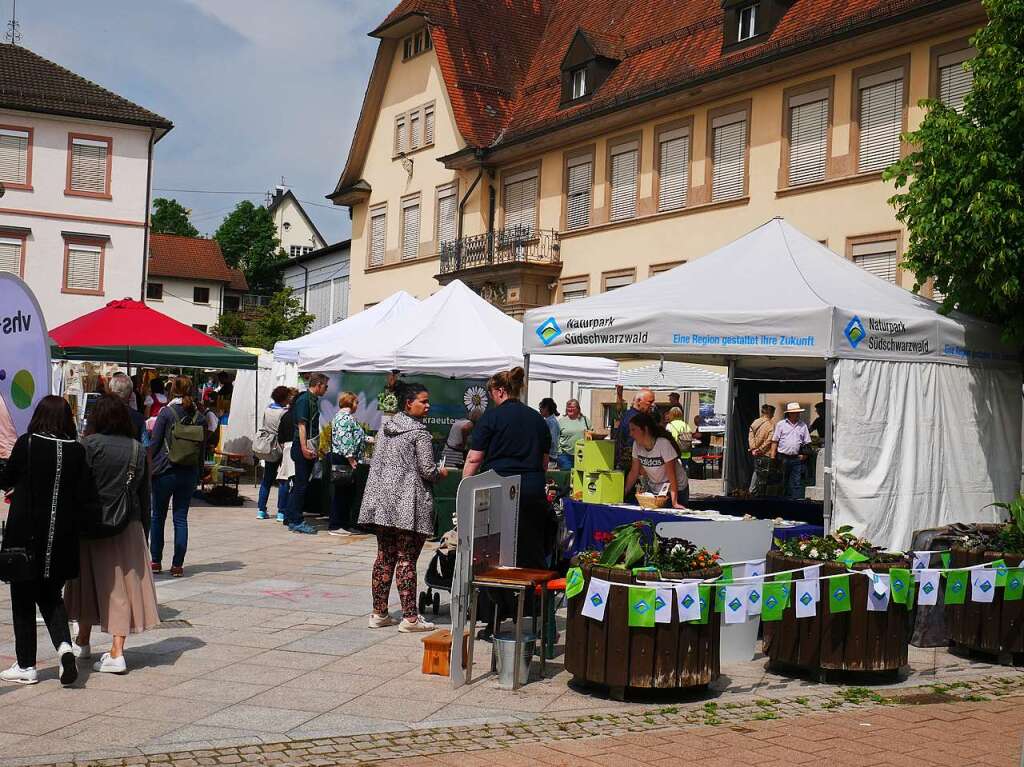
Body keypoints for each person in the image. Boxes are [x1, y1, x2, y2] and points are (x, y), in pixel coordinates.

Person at [0, 396, 96, 686]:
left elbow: (6, 479)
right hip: (61, 540)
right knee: (51, 597)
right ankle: (65, 647)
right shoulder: (77, 452)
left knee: (23, 601)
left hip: (25, 537)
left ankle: (27, 665)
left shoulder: (28, 443)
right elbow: (85, 496)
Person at [66, 396, 160, 674]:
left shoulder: (88, 445)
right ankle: (117, 648)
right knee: (121, 588)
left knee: (84, 583)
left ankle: (83, 641)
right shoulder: (138, 449)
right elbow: (145, 496)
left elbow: (77, 488)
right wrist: (144, 530)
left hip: (90, 525)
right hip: (127, 525)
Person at [464, 367, 552, 637]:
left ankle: (494, 620)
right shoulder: (538, 418)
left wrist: (465, 489)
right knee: (532, 555)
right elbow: (544, 462)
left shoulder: (492, 417)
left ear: (500, 391)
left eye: (491, 394)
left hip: (500, 491)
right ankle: (539, 620)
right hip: (532, 492)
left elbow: (474, 459)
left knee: (493, 558)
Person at [358, 383, 446, 632]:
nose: (427, 405)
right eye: (423, 401)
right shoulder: (420, 433)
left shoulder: (387, 427)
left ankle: (379, 613)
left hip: (383, 501)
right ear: (409, 403)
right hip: (409, 503)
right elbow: (427, 471)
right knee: (407, 559)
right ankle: (410, 618)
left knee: (384, 557)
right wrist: (442, 473)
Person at [150, 375, 207, 577]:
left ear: (172, 389)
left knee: (158, 516)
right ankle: (177, 565)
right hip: (189, 471)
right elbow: (202, 449)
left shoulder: (166, 413)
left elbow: (154, 443)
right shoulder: (200, 416)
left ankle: (155, 561)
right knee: (180, 518)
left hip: (166, 470)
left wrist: (149, 467)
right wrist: (200, 473)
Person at [285, 374, 329, 535]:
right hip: (302, 446)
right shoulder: (305, 400)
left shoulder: (311, 399)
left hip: (307, 446)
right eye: (325, 386)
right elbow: (302, 425)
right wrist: (304, 447)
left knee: (299, 484)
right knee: (301, 485)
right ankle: (296, 520)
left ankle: (290, 516)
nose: (326, 390)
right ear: (318, 384)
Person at [625, 411, 689, 508]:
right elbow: (634, 472)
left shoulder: (663, 444)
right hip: (656, 489)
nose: (631, 434)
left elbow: (672, 475)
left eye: (633, 430)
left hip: (677, 489)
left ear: (645, 429)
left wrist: (674, 502)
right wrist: (623, 493)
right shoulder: (636, 445)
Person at [329, 391, 366, 536]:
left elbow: (356, 435)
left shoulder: (348, 417)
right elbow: (345, 439)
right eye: (356, 402)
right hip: (343, 459)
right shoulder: (344, 417)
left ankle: (344, 524)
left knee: (347, 493)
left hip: (346, 458)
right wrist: (351, 459)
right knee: (341, 493)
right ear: (350, 403)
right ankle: (336, 525)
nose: (358, 405)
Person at [257, 386, 292, 521]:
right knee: (283, 479)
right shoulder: (284, 412)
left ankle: (261, 509)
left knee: (267, 479)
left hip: (268, 445)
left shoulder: (268, 409)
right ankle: (281, 512)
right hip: (280, 446)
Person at [770, 402, 812, 500]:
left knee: (796, 483)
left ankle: (795, 502)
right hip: (783, 457)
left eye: (798, 412)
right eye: (795, 412)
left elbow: (807, 442)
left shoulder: (803, 425)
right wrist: (773, 458)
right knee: (782, 481)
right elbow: (775, 441)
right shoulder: (781, 424)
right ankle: (782, 502)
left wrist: (804, 455)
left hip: (796, 458)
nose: (797, 414)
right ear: (789, 413)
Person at [615, 388, 656, 470]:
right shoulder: (636, 419)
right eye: (650, 402)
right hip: (633, 465)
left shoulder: (628, 414)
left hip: (626, 463)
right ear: (639, 401)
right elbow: (633, 444)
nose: (653, 405)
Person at [107, 373, 146, 441]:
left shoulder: (101, 413)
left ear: (110, 391)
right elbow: (145, 444)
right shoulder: (139, 418)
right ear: (131, 394)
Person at [748, 404, 776, 493]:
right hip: (765, 453)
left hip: (755, 453)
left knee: (756, 471)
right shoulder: (771, 425)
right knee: (763, 475)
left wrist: (753, 449)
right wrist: (760, 449)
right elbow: (769, 440)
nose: (773, 415)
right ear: (770, 413)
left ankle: (752, 491)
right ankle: (756, 493)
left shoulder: (755, 422)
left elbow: (750, 437)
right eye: (773, 413)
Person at [556, 398, 589, 469]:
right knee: (568, 475)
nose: (570, 409)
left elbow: (591, 433)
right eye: (568, 407)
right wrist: (559, 452)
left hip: (582, 454)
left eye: (572, 407)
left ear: (578, 409)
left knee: (580, 476)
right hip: (565, 455)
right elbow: (556, 437)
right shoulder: (561, 421)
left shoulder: (585, 420)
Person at [538, 398, 560, 465]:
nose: (539, 410)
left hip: (549, 457)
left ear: (546, 408)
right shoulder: (548, 421)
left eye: (540, 408)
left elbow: (552, 440)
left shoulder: (551, 422)